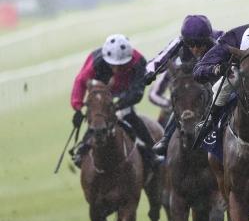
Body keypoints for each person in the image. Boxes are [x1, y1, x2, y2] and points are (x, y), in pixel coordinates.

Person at [69, 34, 161, 167]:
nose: (116, 69)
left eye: (121, 65)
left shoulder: (139, 62)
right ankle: (82, 149)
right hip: (101, 91)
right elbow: (80, 81)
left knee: (128, 115)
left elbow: (137, 93)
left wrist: (118, 105)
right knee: (98, 118)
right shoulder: (96, 61)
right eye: (113, 65)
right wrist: (78, 107)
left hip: (125, 92)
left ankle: (152, 151)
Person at [144, 15, 223, 157]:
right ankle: (166, 139)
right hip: (196, 81)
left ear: (208, 39)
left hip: (216, 78)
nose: (195, 49)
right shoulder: (178, 42)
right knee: (183, 101)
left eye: (200, 44)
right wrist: (149, 72)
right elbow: (158, 60)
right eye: (191, 44)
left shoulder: (220, 40)